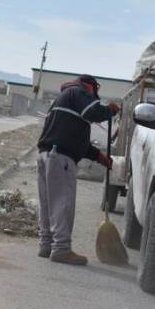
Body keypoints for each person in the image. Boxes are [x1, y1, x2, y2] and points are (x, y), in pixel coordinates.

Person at [36, 74, 119, 265]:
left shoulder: (64, 98)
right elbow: (93, 111)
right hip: (60, 158)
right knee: (62, 203)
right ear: (91, 87)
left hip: (46, 155)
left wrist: (99, 157)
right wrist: (109, 110)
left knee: (48, 203)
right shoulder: (78, 92)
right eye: (94, 91)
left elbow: (74, 138)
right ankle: (61, 249)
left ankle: (46, 245)